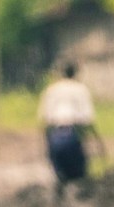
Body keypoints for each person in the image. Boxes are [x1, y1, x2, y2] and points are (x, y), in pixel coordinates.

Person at [39, 61, 96, 190]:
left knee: (60, 177)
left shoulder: (52, 90)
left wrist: (46, 145)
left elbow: (45, 118)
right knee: (78, 177)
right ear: (75, 74)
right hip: (73, 135)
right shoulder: (80, 89)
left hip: (55, 136)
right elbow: (88, 119)